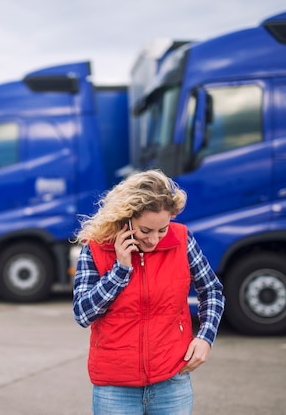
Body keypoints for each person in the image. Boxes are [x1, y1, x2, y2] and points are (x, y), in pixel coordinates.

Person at [72, 169, 225, 415]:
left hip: (172, 381)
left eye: (162, 229)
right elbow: (82, 313)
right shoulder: (96, 248)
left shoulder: (182, 239)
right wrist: (120, 270)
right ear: (126, 218)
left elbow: (212, 290)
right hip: (115, 387)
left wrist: (205, 337)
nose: (155, 240)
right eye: (145, 231)